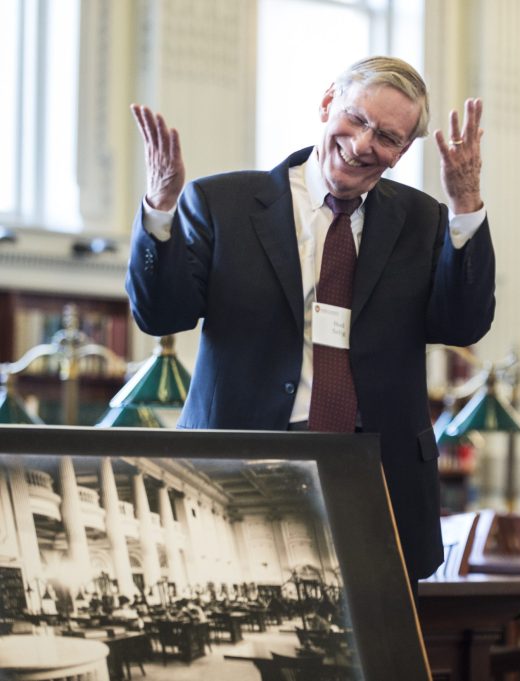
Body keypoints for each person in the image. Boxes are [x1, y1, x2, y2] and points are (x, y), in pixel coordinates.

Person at [126, 56, 496, 588]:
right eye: (356, 119)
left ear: (403, 152)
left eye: (387, 137)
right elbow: (161, 313)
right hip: (241, 467)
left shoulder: (423, 219)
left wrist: (466, 204)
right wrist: (161, 206)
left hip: (379, 475)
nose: (364, 144)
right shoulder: (223, 203)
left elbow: (462, 324)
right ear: (327, 104)